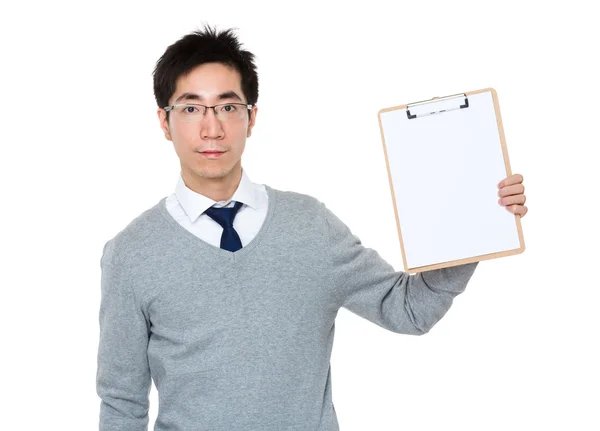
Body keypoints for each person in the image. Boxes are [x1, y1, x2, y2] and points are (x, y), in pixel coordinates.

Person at [96, 24, 528, 431]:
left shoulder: (310, 226)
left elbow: (409, 310)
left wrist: (476, 223)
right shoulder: (131, 254)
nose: (212, 127)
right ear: (164, 122)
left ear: (251, 117)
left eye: (228, 106)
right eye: (191, 108)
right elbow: (122, 401)